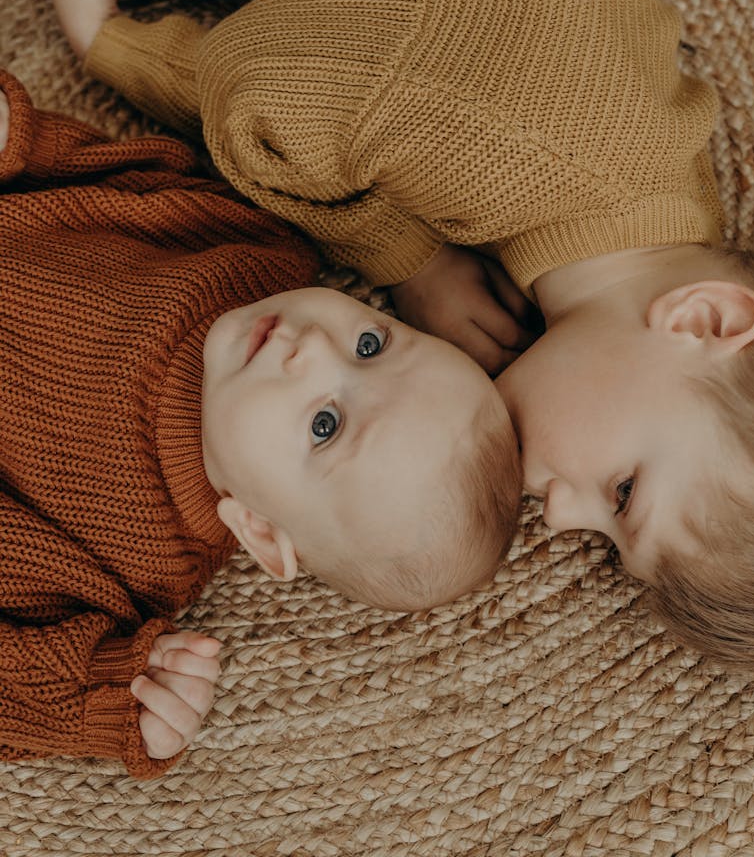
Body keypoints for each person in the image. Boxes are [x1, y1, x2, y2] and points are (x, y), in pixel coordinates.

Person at [8, 0, 754, 684]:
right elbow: (261, 82)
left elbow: (372, 58)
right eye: (619, 495)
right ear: (699, 322)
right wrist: (400, 250)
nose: (559, 514)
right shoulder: (523, 137)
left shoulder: (631, 221)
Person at [0, 67, 522, 779]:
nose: (311, 350)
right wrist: (21, 141)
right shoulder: (262, 258)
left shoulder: (134, 558)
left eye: (325, 426)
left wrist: (105, 695)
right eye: (370, 345)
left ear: (261, 532)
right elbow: (132, 181)